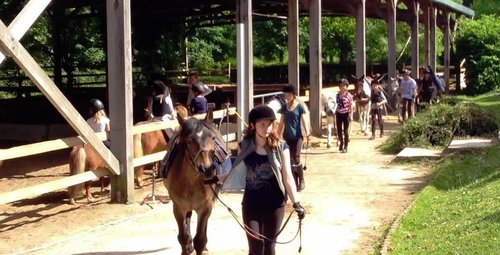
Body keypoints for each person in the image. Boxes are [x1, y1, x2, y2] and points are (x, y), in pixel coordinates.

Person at [215, 105, 305, 255]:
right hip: (251, 204)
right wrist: (215, 179)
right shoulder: (243, 146)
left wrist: (296, 203)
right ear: (252, 125)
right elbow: (237, 171)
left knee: (269, 248)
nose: (267, 128)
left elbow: (287, 176)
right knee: (255, 248)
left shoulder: (282, 147)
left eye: (269, 124)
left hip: (275, 204)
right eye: (262, 124)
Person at [276, 85, 310, 192]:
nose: (286, 95)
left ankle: (302, 179)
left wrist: (307, 132)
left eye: (288, 93)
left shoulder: (299, 107)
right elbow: (281, 123)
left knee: (297, 158)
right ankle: (294, 181)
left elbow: (304, 120)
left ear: (293, 95)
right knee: (289, 160)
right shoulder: (284, 108)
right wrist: (277, 135)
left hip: (298, 137)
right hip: (287, 137)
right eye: (285, 93)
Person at [336, 79, 354, 153]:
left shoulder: (349, 96)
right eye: (341, 85)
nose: (342, 87)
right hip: (338, 114)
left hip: (346, 114)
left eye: (344, 85)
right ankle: (341, 143)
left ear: (346, 87)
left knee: (346, 131)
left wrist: (351, 115)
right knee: (339, 131)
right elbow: (334, 104)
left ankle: (346, 146)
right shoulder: (337, 95)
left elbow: (351, 106)